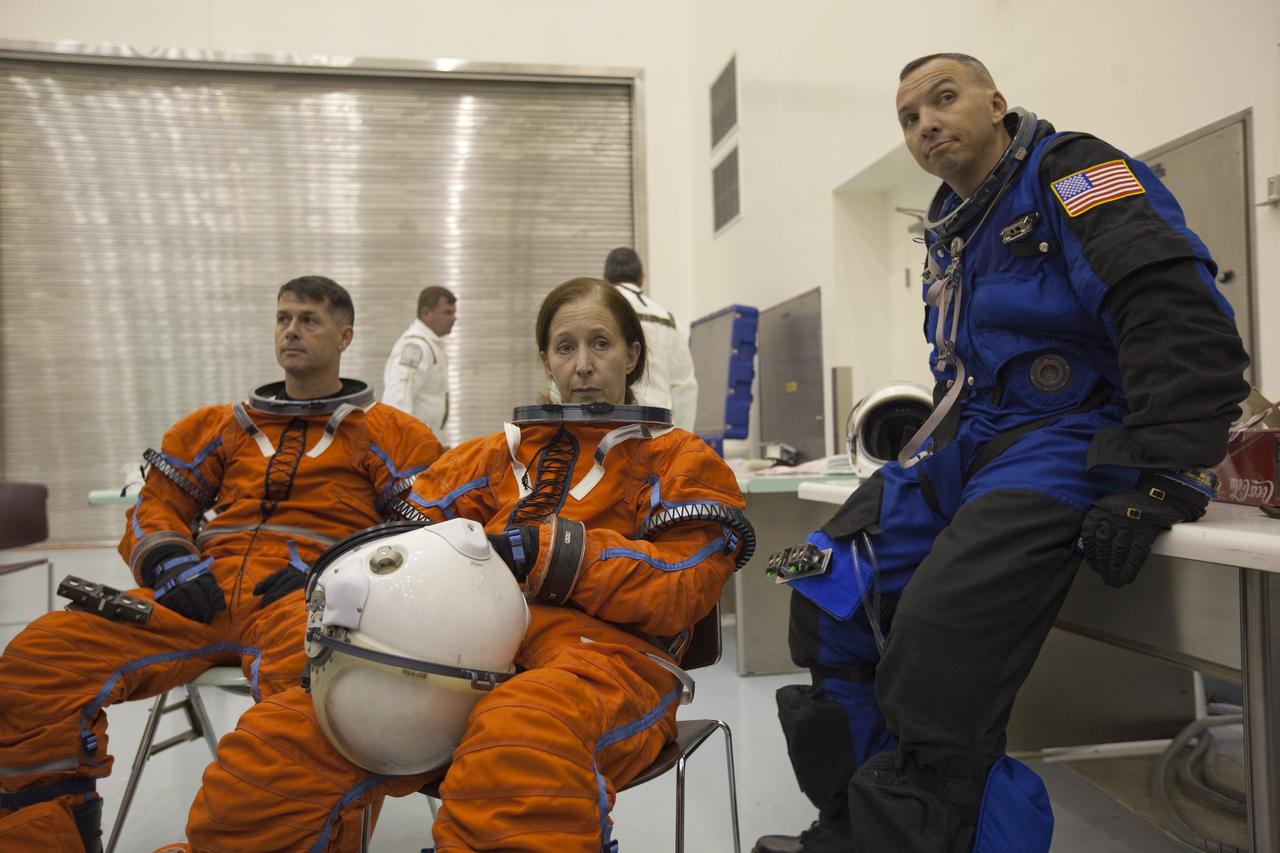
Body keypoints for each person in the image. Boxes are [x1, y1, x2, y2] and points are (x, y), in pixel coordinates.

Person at [754, 54, 1249, 853]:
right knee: (814, 580)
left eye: (943, 100)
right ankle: (853, 823)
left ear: (997, 102)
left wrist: (1169, 467)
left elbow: (1169, 301)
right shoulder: (951, 228)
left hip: (1062, 441)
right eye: (909, 117)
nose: (925, 125)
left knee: (933, 643)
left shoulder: (1073, 172)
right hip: (969, 443)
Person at [168, 276, 754, 852]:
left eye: (600, 344)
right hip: (456, 658)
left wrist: (551, 552)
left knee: (519, 737)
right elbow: (404, 536)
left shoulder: (678, 460)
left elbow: (685, 585)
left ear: (632, 353)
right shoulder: (492, 456)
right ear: (545, 361)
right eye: (565, 347)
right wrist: (342, 562)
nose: (582, 364)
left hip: (611, 666)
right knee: (287, 736)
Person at [0, 276, 443, 853]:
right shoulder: (220, 427)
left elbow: (424, 524)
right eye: (283, 317)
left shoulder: (392, 433)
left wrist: (339, 572)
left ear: (345, 335)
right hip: (195, 595)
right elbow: (158, 503)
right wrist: (170, 563)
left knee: (323, 708)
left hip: (307, 605)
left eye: (309, 319)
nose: (292, 330)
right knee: (40, 663)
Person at [562, 248, 698, 430]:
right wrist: (683, 438)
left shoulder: (595, 314)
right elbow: (685, 388)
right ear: (642, 278)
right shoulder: (670, 321)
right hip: (659, 430)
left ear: (605, 279)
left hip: (607, 429)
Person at [382, 285, 457, 433]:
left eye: (454, 313)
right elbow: (397, 400)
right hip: (412, 446)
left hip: (427, 440)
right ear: (426, 313)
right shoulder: (415, 346)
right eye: (448, 312)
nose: (454, 318)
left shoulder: (430, 344)